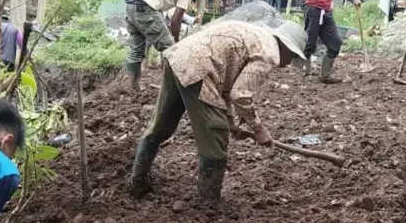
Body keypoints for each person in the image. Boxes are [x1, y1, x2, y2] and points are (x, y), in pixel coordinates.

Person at [127, 20, 308, 208]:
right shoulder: (270, 55)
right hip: (200, 69)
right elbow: (241, 94)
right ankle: (209, 202)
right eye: (293, 57)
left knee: (161, 125)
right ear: (286, 47)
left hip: (178, 57)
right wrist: (258, 128)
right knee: (216, 134)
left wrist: (232, 123)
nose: (288, 63)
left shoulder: (258, 36)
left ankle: (136, 182)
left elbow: (227, 87)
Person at [124, 0, 208, 92]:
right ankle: (173, 89)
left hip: (130, 2)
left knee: (136, 50)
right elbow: (176, 20)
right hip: (147, 5)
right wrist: (176, 44)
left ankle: (133, 88)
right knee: (171, 49)